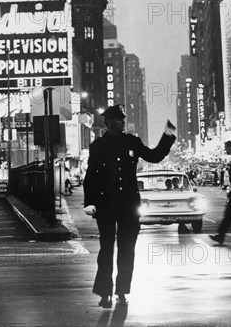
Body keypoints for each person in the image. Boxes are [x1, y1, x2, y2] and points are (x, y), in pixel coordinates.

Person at [83, 104, 176, 308]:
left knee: (127, 250)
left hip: (128, 205)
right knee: (106, 249)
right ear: (108, 122)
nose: (123, 122)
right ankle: (104, 293)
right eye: (118, 119)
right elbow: (91, 176)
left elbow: (154, 156)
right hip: (105, 204)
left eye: (123, 118)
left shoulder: (132, 141)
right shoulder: (98, 146)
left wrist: (168, 137)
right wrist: (89, 202)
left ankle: (122, 292)